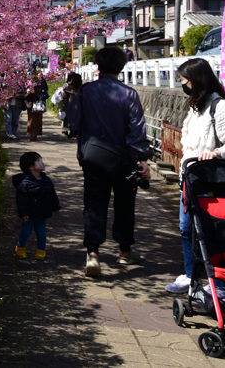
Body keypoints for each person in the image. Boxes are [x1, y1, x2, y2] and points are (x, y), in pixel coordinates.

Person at [66, 47, 151, 278]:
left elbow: (72, 122)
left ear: (98, 66)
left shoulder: (85, 92)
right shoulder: (129, 94)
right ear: (122, 67)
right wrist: (141, 158)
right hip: (124, 160)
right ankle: (124, 251)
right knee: (125, 204)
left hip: (93, 159)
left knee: (94, 205)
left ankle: (93, 254)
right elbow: (137, 129)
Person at [165, 58, 225, 294]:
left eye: (184, 80)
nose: (182, 84)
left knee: (209, 231)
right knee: (185, 227)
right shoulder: (195, 105)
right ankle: (191, 276)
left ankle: (217, 283)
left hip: (209, 179)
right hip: (189, 179)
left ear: (196, 79)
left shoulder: (219, 107)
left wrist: (217, 152)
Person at [13, 151, 61, 260]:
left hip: (42, 213)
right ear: (31, 167)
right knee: (26, 232)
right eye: (38, 161)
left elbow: (52, 195)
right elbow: (21, 200)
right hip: (29, 214)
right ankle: (20, 248)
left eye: (42, 160)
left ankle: (40, 250)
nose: (42, 163)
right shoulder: (24, 183)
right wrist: (23, 213)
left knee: (41, 233)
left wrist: (56, 207)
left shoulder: (46, 180)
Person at [51, 73, 82, 138]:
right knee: (77, 118)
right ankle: (75, 131)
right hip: (79, 105)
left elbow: (65, 97)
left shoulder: (68, 88)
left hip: (70, 104)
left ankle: (70, 131)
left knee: (70, 118)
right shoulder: (80, 88)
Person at [24, 77, 48, 142]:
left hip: (37, 106)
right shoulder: (28, 87)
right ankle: (31, 134)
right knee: (31, 120)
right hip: (30, 105)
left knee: (37, 121)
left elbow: (39, 96)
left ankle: (35, 134)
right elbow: (25, 97)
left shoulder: (38, 87)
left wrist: (33, 92)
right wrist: (28, 93)